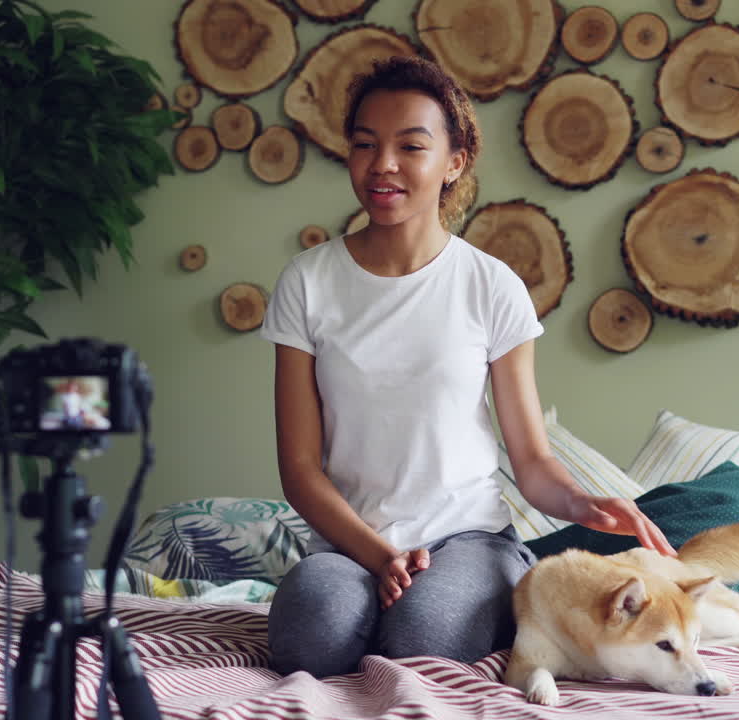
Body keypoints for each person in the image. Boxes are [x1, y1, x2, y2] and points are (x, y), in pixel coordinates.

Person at [258, 55, 675, 678]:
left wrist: (584, 504)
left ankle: (481, 586)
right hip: (350, 542)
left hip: (467, 539)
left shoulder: (491, 286)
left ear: (454, 162)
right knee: (310, 640)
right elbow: (299, 469)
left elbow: (531, 461)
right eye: (365, 144)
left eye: (410, 146)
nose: (383, 164)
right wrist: (379, 556)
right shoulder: (307, 282)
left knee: (422, 639)